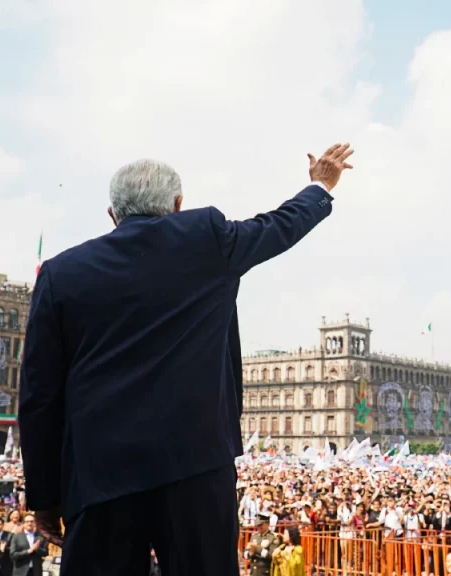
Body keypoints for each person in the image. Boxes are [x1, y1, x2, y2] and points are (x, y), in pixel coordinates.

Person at [19, 144, 354, 575]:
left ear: (112, 213)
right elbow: (280, 226)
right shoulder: (209, 239)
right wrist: (321, 184)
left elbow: (38, 396)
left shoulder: (60, 274)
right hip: (196, 468)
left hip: (100, 476)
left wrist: (44, 497)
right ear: (178, 205)